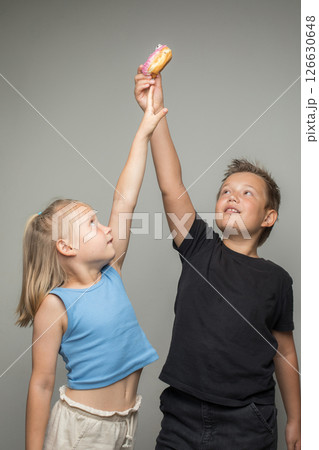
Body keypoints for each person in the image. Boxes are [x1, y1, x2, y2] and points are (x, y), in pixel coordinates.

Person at [134, 68, 301, 450]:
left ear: (268, 217)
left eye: (247, 193)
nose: (232, 196)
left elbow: (285, 351)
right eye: (226, 190)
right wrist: (155, 111)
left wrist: (297, 417)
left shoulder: (277, 280)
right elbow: (170, 184)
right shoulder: (199, 247)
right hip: (181, 415)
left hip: (248, 421)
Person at [16, 86, 168, 450]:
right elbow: (41, 383)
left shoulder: (111, 272)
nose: (106, 228)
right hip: (82, 431)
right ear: (66, 247)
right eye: (93, 225)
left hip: (125, 424)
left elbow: (125, 198)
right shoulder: (56, 304)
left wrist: (143, 131)